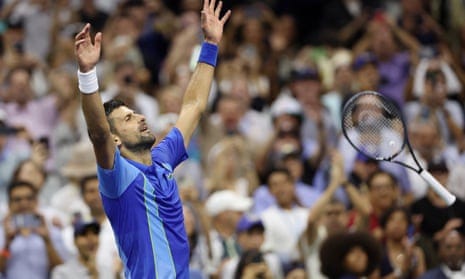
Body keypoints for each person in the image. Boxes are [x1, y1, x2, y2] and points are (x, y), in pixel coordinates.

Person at [73, 0, 231, 277]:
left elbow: (193, 105)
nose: (141, 118)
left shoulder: (163, 159)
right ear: (116, 140)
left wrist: (210, 44)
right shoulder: (117, 177)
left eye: (136, 113)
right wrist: (87, 74)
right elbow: (98, 134)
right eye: (128, 119)